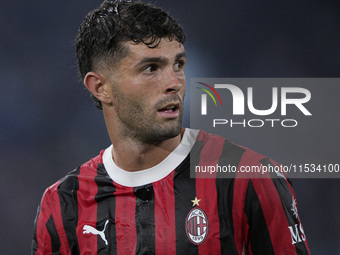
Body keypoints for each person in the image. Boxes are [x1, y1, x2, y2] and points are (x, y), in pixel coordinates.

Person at [32, 1, 310, 254]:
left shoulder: (249, 178)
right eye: (151, 68)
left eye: (178, 64)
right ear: (100, 87)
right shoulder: (62, 203)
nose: (174, 82)